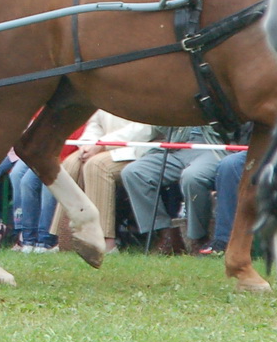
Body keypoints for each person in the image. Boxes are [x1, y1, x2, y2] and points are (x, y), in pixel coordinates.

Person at [52, 109, 152, 254]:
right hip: (101, 147)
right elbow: (95, 123)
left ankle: (105, 242)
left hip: (136, 149)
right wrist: (88, 144)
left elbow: (144, 129)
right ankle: (65, 239)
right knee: (71, 163)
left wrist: (102, 144)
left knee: (97, 166)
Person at [120, 125, 225, 253]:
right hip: (178, 144)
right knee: (133, 172)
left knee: (192, 177)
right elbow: (159, 125)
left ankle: (199, 239)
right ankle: (167, 236)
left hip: (213, 146)